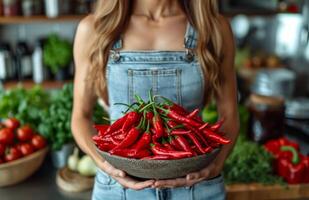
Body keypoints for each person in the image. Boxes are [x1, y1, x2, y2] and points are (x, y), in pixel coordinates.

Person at [72, 0, 239, 199]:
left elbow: (229, 116)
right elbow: (81, 116)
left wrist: (214, 166)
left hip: (196, 188)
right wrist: (106, 166)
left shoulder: (214, 29)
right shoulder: (94, 29)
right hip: (119, 189)